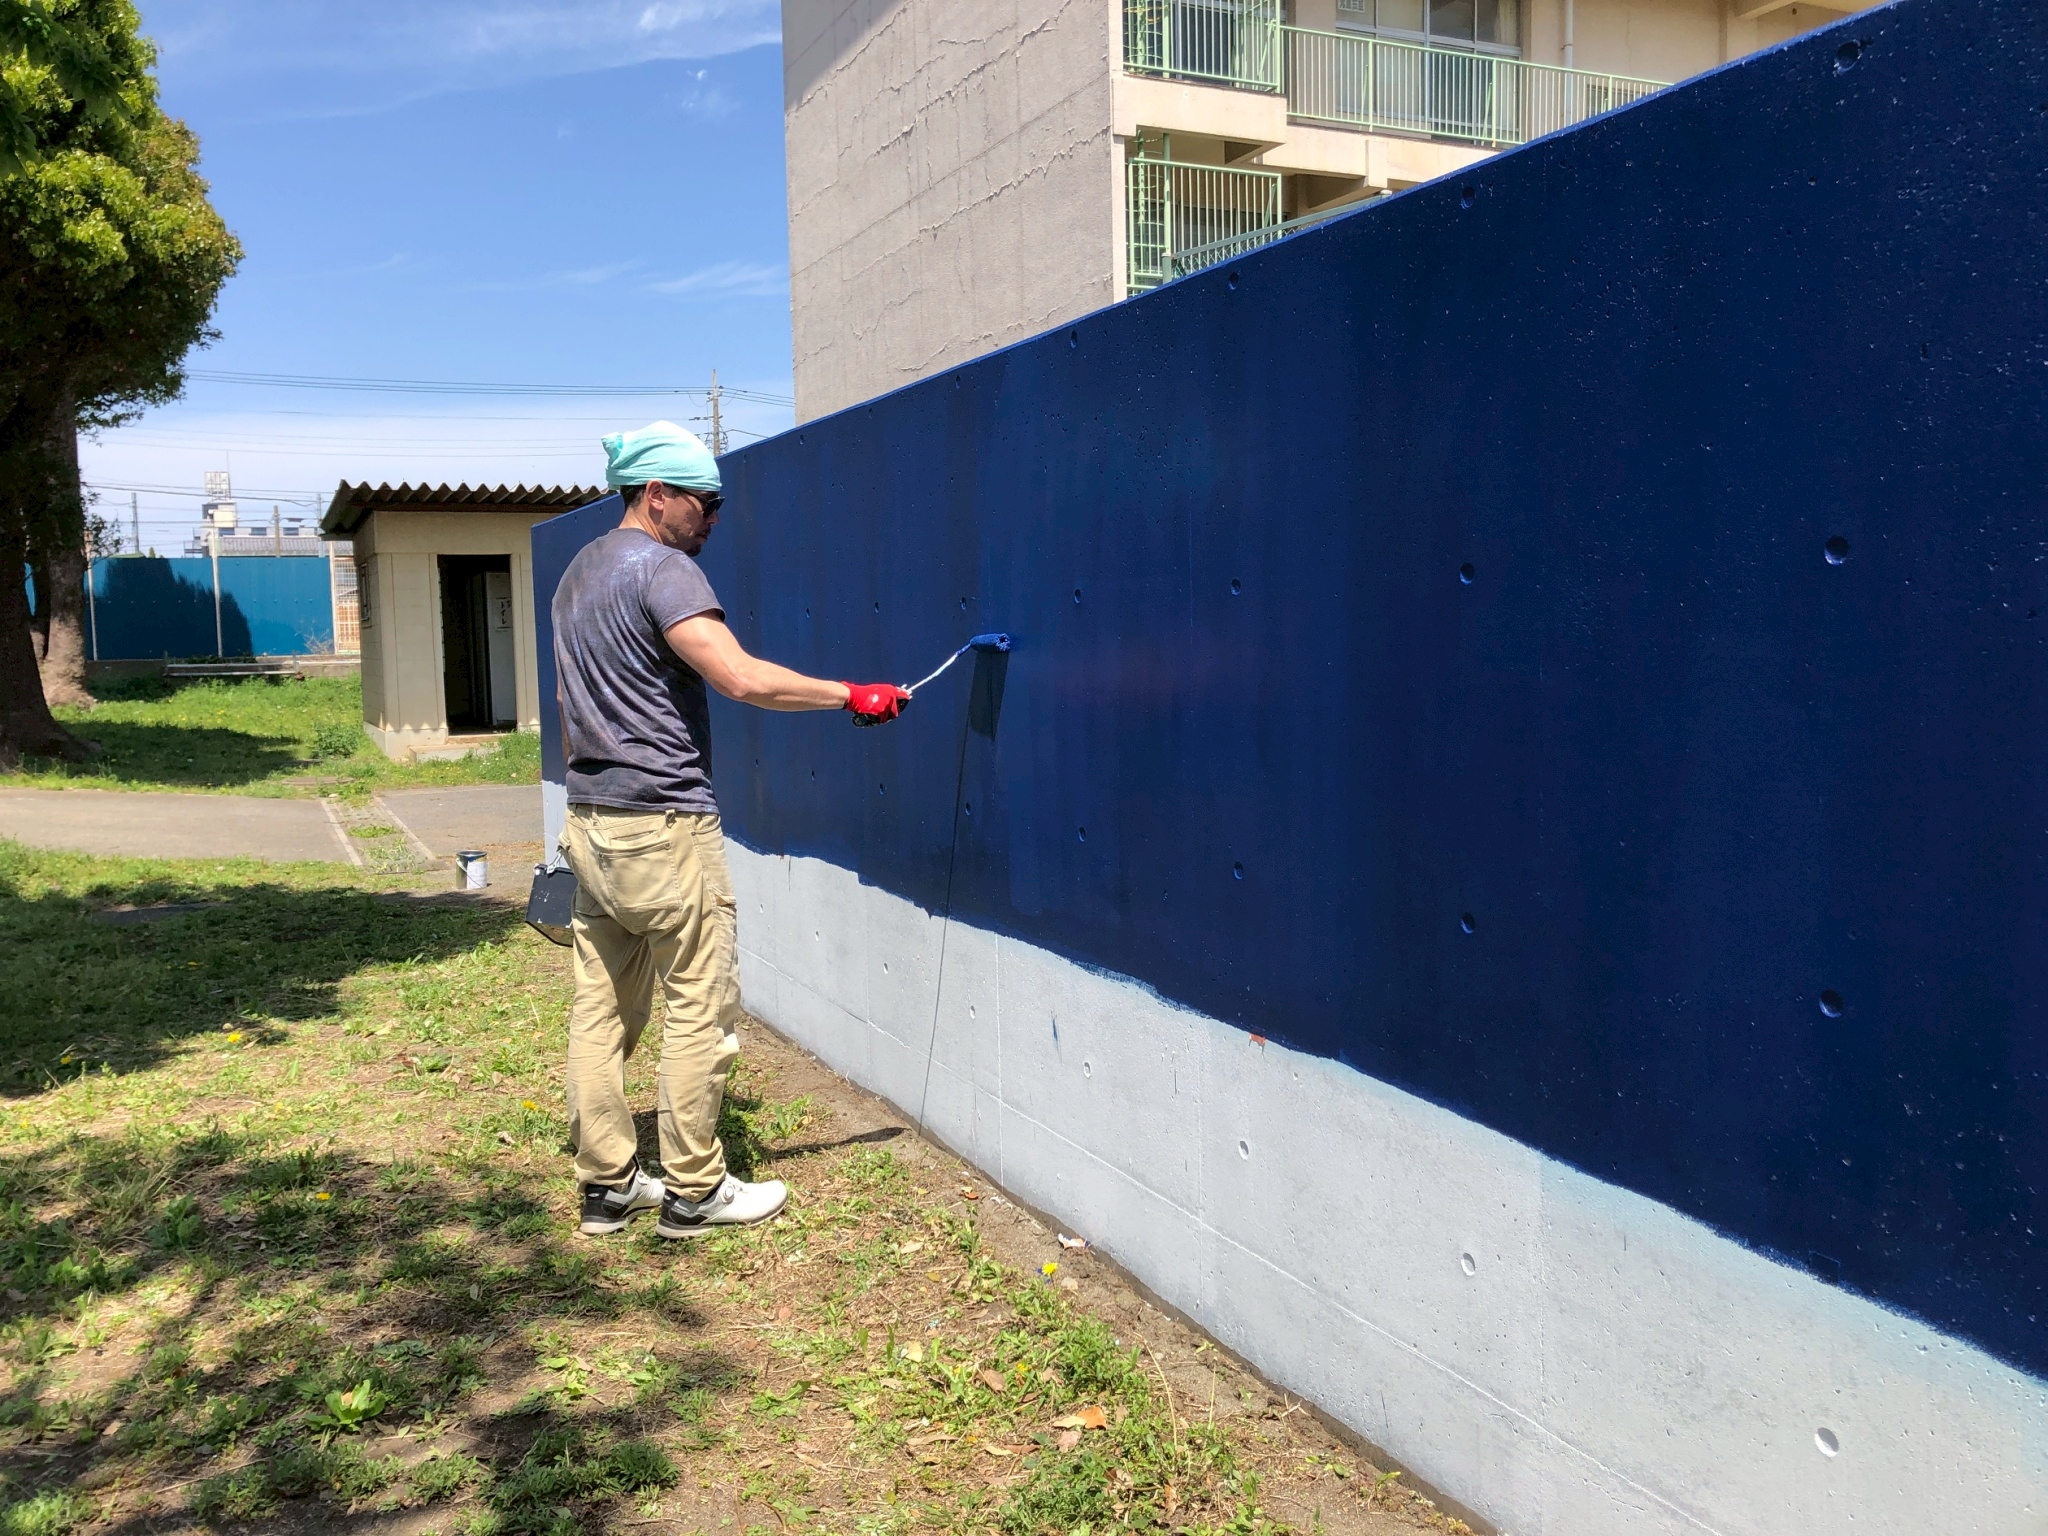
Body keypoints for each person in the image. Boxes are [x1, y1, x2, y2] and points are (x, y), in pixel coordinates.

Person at [553, 420, 909, 1239]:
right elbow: (740, 676)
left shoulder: (579, 573)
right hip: (663, 826)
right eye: (704, 503)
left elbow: (573, 703)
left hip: (593, 822)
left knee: (599, 1009)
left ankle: (608, 1186)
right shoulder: (663, 570)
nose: (714, 518)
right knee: (697, 1003)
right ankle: (694, 1192)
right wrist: (851, 695)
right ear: (655, 495)